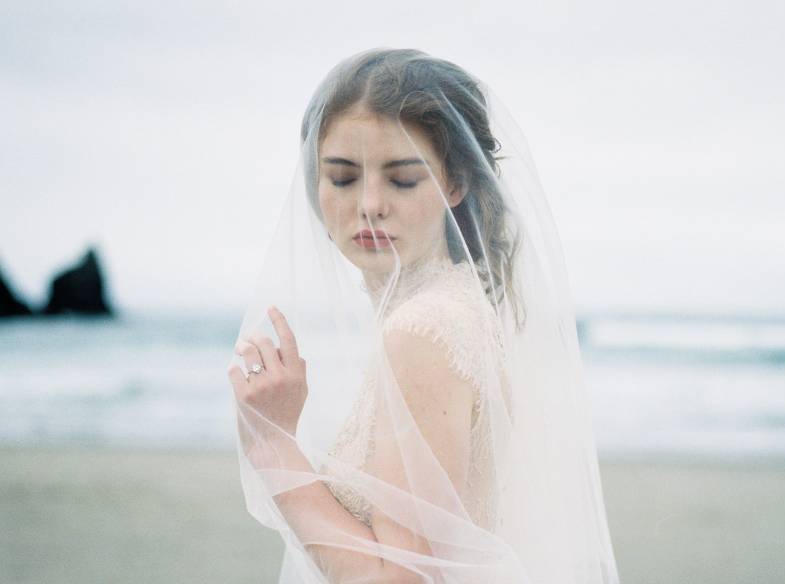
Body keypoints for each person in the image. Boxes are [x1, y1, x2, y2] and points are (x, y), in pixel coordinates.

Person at [228, 47, 620, 583]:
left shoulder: (423, 330)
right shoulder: (456, 307)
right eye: (342, 178)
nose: (369, 203)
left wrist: (274, 446)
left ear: (455, 181)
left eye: (403, 179)